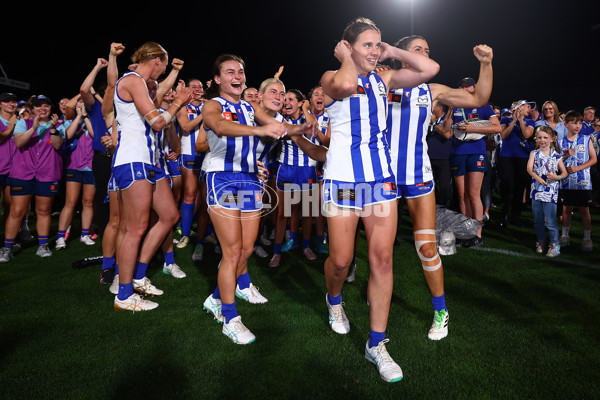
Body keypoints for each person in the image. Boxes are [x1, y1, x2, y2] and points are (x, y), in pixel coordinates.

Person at [320, 18, 439, 382]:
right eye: (367, 45)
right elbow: (341, 85)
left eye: (377, 45)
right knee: (341, 261)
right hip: (342, 179)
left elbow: (430, 68)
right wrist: (346, 58)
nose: (374, 51)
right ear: (347, 46)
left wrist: (390, 51)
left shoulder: (384, 78)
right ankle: (334, 300)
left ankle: (377, 344)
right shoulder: (331, 76)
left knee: (383, 261)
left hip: (380, 181)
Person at [384, 35, 493, 351]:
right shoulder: (382, 82)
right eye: (417, 50)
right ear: (402, 54)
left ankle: (440, 310)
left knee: (427, 248)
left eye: (427, 51)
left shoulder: (432, 91)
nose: (424, 55)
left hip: (418, 176)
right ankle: (375, 294)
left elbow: (479, 97)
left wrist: (485, 63)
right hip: (383, 177)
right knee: (382, 250)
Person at [200, 54, 314, 344]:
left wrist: (301, 129)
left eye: (240, 71)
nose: (237, 75)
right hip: (223, 177)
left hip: (251, 179)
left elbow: (278, 126)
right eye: (229, 72)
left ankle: (215, 298)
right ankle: (230, 317)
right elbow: (220, 127)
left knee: (247, 249)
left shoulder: (250, 108)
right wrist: (259, 129)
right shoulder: (213, 104)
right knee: (232, 252)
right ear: (217, 79)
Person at [111, 41, 192, 311]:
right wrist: (179, 103)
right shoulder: (133, 80)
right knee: (133, 228)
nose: (162, 72)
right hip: (133, 160)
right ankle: (123, 295)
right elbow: (157, 121)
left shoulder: (141, 85)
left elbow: (156, 113)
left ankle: (138, 276)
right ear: (156, 60)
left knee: (169, 216)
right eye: (164, 65)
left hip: (149, 162)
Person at [0, 95, 64, 262]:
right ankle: (7, 248)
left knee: (43, 211)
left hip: (47, 173)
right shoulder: (23, 123)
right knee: (17, 211)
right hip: (23, 173)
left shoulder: (58, 125)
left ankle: (42, 246)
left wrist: (52, 128)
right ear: (32, 109)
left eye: (46, 106)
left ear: (51, 109)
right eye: (38, 106)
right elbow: (20, 142)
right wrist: (33, 128)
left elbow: (57, 145)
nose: (42, 108)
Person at [447, 76, 501, 246]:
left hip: (476, 152)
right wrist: (449, 110)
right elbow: (448, 129)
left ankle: (477, 233)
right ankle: (466, 232)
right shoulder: (455, 106)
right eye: (462, 86)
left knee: (473, 194)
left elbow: (497, 127)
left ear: (474, 87)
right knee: (462, 195)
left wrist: (474, 128)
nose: (466, 88)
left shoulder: (482, 105)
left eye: (469, 86)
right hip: (457, 152)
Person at [271, 89, 319, 265]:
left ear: (300, 103)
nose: (286, 102)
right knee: (283, 213)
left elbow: (314, 125)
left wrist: (306, 109)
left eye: (291, 99)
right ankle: (276, 252)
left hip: (307, 169)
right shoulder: (280, 119)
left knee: (306, 212)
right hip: (286, 169)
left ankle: (306, 247)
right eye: (285, 99)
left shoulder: (308, 117)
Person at [55, 97, 96, 250]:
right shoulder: (69, 121)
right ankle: (60, 237)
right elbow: (68, 135)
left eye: (84, 102)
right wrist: (79, 116)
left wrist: (86, 117)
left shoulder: (94, 120)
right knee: (70, 202)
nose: (82, 104)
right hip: (74, 166)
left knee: (88, 202)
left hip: (91, 166)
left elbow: (94, 135)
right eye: (80, 102)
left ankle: (85, 234)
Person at [558, 110, 597, 251]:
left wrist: (578, 168)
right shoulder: (560, 141)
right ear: (565, 124)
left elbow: (594, 159)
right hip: (566, 182)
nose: (578, 125)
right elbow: (555, 161)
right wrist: (564, 156)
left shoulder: (586, 139)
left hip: (583, 182)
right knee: (566, 209)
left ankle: (587, 239)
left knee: (584, 211)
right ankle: (565, 236)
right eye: (574, 123)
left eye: (580, 123)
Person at [527, 125, 568, 257]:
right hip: (536, 191)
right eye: (539, 137)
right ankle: (541, 241)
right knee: (538, 219)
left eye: (545, 137)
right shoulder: (533, 153)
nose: (542, 140)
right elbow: (529, 169)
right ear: (536, 139)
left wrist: (557, 177)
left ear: (552, 139)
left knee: (550, 221)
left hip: (550, 193)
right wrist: (538, 178)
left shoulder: (557, 156)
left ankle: (555, 244)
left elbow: (565, 173)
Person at [175, 78, 205, 250]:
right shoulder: (183, 106)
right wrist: (204, 115)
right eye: (194, 86)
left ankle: (202, 231)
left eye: (200, 87)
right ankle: (184, 233)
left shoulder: (207, 105)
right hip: (189, 153)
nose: (198, 89)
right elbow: (185, 127)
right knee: (190, 194)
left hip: (207, 154)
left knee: (203, 197)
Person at [499, 100, 536, 227]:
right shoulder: (505, 120)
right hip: (506, 157)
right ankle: (505, 215)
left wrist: (520, 120)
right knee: (507, 186)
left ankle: (515, 215)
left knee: (520, 188)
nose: (529, 109)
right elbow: (503, 135)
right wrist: (514, 120)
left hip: (523, 157)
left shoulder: (530, 121)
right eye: (527, 106)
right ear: (519, 108)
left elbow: (526, 134)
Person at [307, 86, 331, 255]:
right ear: (310, 100)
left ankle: (321, 238)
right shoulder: (302, 115)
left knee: (321, 205)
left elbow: (328, 141)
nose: (320, 96)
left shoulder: (330, 116)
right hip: (304, 165)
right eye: (316, 94)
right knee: (304, 206)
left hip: (324, 165)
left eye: (323, 94)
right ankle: (298, 238)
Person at [0, 93, 18, 230]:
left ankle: (8, 238)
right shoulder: (13, 123)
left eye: (13, 101)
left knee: (10, 207)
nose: (11, 104)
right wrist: (11, 127)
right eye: (6, 101)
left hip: (14, 170)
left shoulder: (21, 122)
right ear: (0, 104)